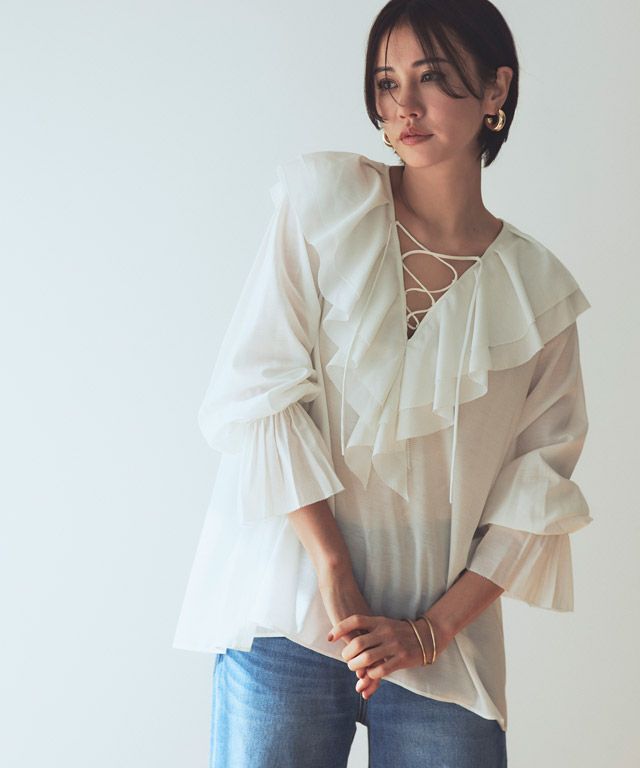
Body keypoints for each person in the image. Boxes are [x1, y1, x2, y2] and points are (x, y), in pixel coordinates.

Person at [173, 1, 593, 765]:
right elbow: (259, 390)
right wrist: (335, 572)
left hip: (443, 644)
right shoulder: (327, 204)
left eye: (431, 77)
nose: (404, 105)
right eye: (387, 81)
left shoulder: (539, 292)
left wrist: (431, 631)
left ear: (496, 89)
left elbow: (537, 491)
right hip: (291, 609)